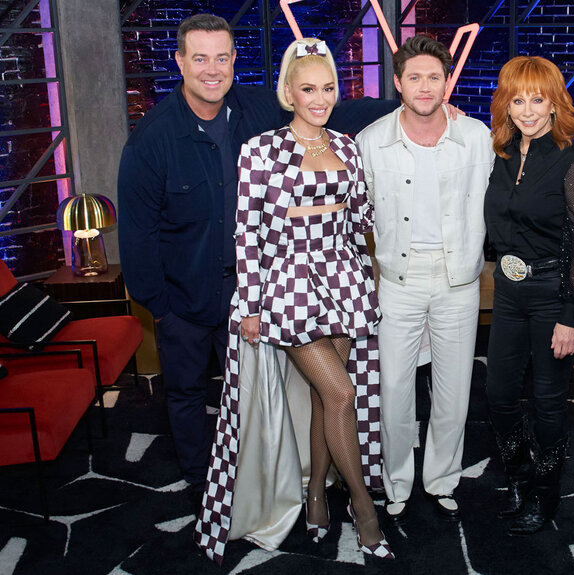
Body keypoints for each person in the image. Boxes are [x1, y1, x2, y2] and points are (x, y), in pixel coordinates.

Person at [117, 14, 395, 512]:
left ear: (233, 61)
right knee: (185, 393)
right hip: (187, 293)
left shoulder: (251, 106)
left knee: (252, 398)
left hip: (266, 286)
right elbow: (138, 235)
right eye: (199, 58)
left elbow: (328, 106)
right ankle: (201, 487)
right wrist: (159, 306)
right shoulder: (151, 139)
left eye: (221, 57)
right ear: (180, 61)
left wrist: (413, 104)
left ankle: (266, 486)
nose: (212, 69)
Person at [193, 38, 394, 563]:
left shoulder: (348, 146)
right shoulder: (260, 150)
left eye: (328, 88)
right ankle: (363, 506)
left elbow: (361, 221)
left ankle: (313, 500)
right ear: (289, 92)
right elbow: (247, 232)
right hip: (288, 285)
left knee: (329, 401)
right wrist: (253, 305)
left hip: (343, 279)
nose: (320, 98)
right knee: (344, 394)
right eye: (309, 89)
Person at [356, 35, 494, 525]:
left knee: (454, 388)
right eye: (414, 76)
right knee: (393, 387)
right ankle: (395, 480)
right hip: (397, 277)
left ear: (446, 82)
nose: (424, 85)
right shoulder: (371, 141)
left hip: (459, 278)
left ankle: (442, 479)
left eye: (434, 76)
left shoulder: (475, 135)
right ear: (397, 83)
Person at [483, 56, 574, 536]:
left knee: (550, 401)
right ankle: (518, 477)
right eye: (517, 99)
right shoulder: (503, 154)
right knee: (498, 393)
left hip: (553, 294)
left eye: (537, 99)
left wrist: (572, 315)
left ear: (554, 103)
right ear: (506, 105)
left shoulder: (571, 159)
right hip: (507, 292)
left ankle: (545, 496)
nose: (527, 110)